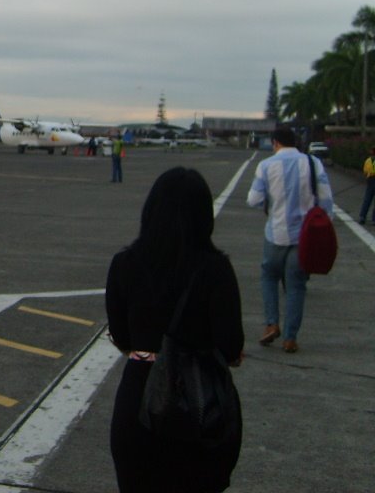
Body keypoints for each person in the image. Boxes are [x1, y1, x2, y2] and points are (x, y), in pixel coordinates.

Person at [106, 167, 244, 493]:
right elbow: (230, 346)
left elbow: (122, 337)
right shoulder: (216, 268)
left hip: (140, 398)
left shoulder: (124, 263)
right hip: (201, 405)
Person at [247, 126, 333, 353]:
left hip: (275, 233)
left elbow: (253, 199)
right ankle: (290, 338)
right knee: (296, 287)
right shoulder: (314, 163)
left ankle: (271, 324)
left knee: (268, 277)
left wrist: (272, 204)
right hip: (303, 238)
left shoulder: (265, 166)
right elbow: (326, 201)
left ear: (275, 143)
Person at [359, 145, 375, 225]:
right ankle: (374, 219)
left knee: (367, 199)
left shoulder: (368, 160)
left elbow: (365, 171)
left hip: (370, 180)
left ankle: (362, 216)